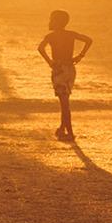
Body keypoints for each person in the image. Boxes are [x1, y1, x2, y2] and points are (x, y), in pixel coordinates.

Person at [36, 10, 92, 141]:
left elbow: (40, 48)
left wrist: (50, 62)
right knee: (65, 100)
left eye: (52, 19)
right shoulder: (71, 34)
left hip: (59, 70)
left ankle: (70, 133)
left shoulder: (51, 36)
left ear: (57, 22)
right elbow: (89, 40)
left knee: (64, 104)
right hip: (70, 69)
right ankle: (62, 128)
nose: (49, 22)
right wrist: (80, 56)